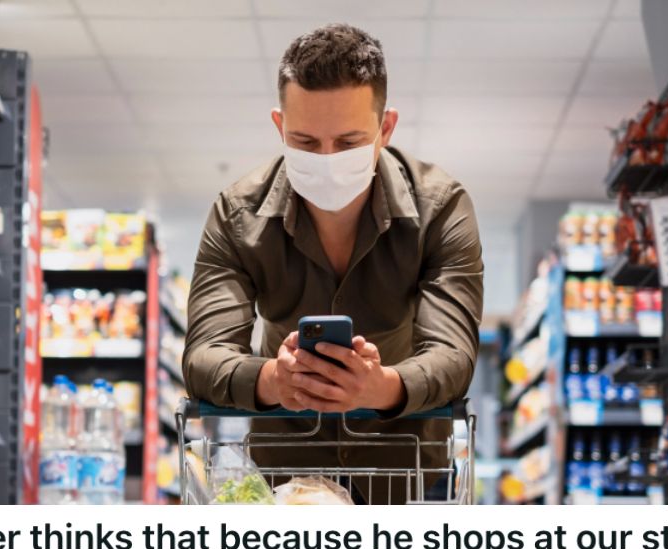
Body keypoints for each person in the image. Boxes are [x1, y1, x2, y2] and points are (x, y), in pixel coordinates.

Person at [182, 23, 483, 504]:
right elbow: (203, 355)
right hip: (283, 485)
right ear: (280, 127)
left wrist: (379, 387)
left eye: (347, 143)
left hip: (402, 480)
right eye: (304, 141)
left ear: (385, 129)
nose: (326, 158)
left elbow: (453, 356)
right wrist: (273, 381)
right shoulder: (237, 214)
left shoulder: (440, 208)